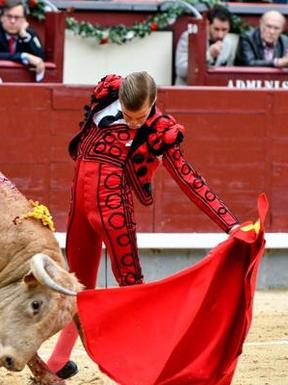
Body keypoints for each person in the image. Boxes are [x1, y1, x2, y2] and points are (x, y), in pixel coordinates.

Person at [45, 72, 240, 380]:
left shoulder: (161, 129)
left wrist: (231, 225)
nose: (134, 123)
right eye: (128, 116)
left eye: (140, 117)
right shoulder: (105, 97)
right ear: (119, 99)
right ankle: (56, 363)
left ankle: (149, 368)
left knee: (132, 289)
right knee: (77, 286)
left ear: (154, 103)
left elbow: (189, 179)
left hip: (114, 212)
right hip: (79, 209)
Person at [0, 0, 46, 79]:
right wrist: (23, 56)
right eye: (9, 16)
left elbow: (41, 57)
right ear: (2, 18)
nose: (12, 21)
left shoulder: (29, 34)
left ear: (24, 20)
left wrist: (24, 36)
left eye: (17, 17)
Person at [175, 5, 235, 85]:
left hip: (214, 93)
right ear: (208, 24)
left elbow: (228, 75)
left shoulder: (228, 44)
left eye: (224, 30)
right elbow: (181, 71)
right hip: (189, 91)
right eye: (216, 29)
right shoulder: (189, 38)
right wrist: (209, 55)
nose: (220, 35)